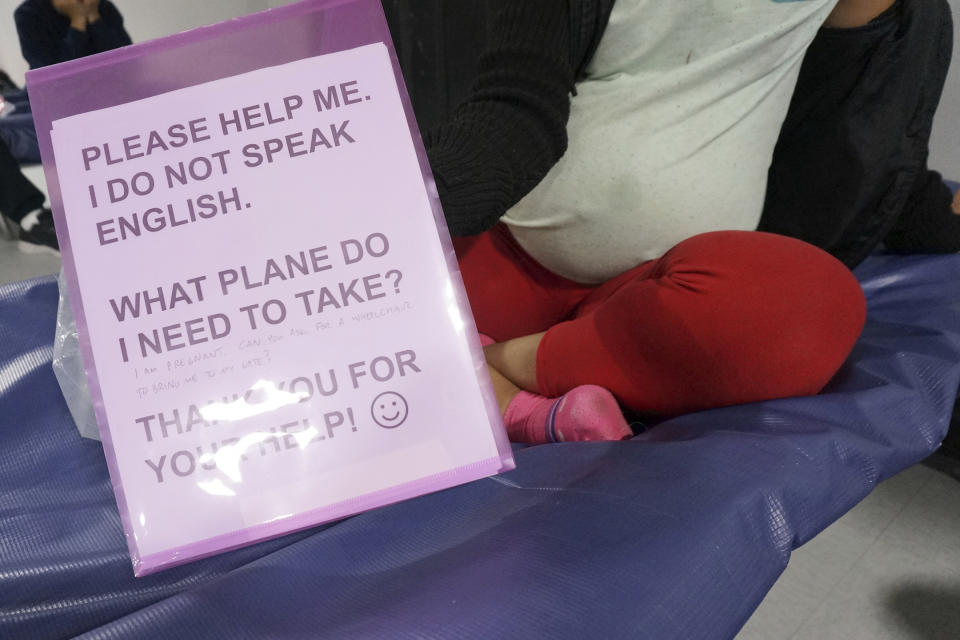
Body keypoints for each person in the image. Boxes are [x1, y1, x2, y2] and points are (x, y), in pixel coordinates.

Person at [420, 0, 920, 444]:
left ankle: (486, 367)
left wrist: (929, 210)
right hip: (510, 248)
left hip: (662, 292)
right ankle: (513, 389)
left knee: (816, 305)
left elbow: (856, 120)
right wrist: (407, 207)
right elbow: (513, 106)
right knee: (365, 304)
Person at [0, 0, 132, 252]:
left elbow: (125, 62)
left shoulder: (101, 7)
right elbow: (53, 79)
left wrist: (92, 17)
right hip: (53, 107)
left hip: (100, 106)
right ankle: (34, 220)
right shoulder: (30, 14)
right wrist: (77, 24)